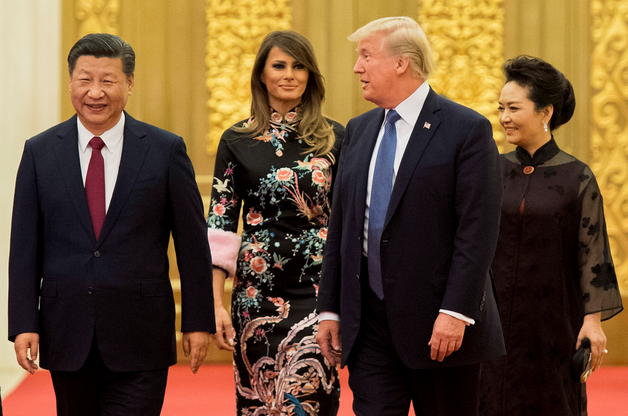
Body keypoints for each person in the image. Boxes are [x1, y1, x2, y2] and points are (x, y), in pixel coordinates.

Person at [8, 33, 215, 416]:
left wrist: (198, 321)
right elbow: (24, 247)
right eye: (85, 80)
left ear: (130, 83)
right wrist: (23, 322)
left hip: (141, 333)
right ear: (70, 82)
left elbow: (191, 245)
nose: (95, 92)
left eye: (108, 80)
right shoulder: (40, 152)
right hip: (66, 330)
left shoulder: (165, 150)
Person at [316, 16, 506, 415]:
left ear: (402, 62)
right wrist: (331, 308)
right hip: (368, 325)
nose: (357, 67)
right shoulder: (358, 130)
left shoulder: (466, 129)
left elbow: (478, 230)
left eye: (366, 55)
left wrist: (456, 312)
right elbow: (342, 227)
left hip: (440, 328)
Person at [207, 30, 344, 415]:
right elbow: (220, 223)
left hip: (321, 294)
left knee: (312, 398)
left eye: (299, 66)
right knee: (261, 402)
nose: (289, 75)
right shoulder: (236, 139)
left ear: (310, 76)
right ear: (262, 75)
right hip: (256, 297)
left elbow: (349, 220)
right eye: (279, 65)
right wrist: (214, 303)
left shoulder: (336, 137)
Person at [478, 55, 623, 415]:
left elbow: (592, 253)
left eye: (513, 108)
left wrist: (592, 322)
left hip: (554, 322)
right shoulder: (492, 168)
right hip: (492, 320)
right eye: (500, 108)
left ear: (545, 113)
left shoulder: (577, 176)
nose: (504, 117)